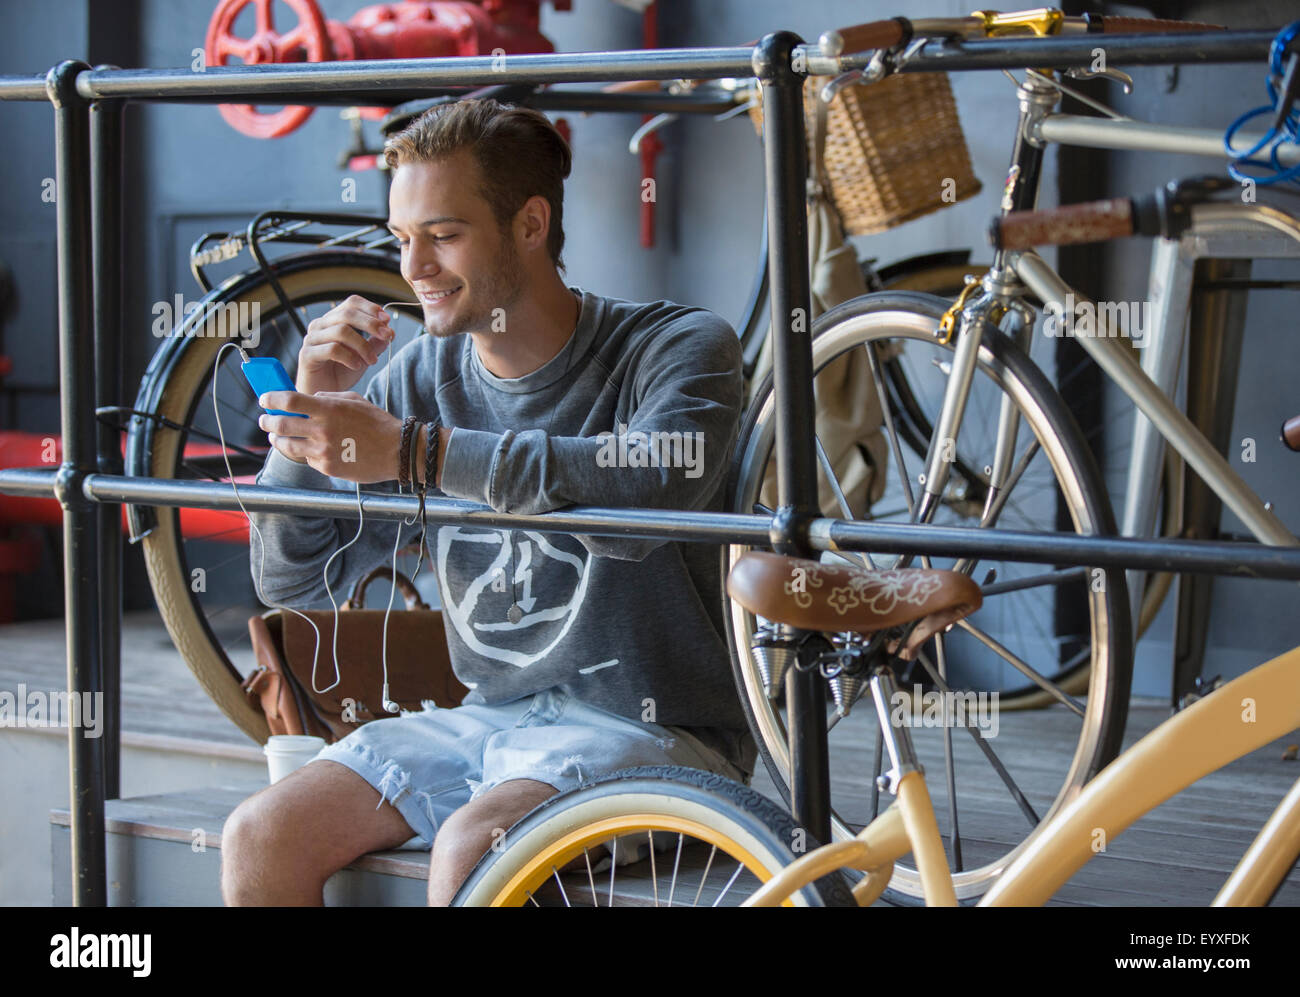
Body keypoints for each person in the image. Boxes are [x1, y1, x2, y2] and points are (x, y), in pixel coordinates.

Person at [220, 98, 755, 906]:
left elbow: (649, 493)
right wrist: (305, 419)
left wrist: (415, 451)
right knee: (259, 835)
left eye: (444, 234)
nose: (414, 267)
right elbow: (292, 580)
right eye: (403, 239)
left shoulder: (677, 346)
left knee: (479, 843)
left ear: (531, 225)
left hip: (663, 731)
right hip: (493, 718)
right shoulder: (418, 380)